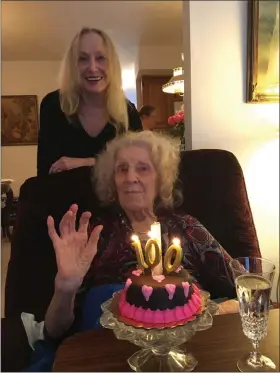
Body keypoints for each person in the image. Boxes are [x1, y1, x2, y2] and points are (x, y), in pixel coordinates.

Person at [43, 130, 239, 341]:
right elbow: (54, 332)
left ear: (160, 178)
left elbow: (245, 289)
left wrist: (214, 312)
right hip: (106, 352)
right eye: (122, 169)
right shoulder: (93, 235)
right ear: (113, 179)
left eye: (143, 169)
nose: (130, 178)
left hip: (184, 351)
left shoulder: (187, 227)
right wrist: (65, 288)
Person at [37, 27, 142, 176]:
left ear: (112, 64)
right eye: (83, 58)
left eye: (100, 58)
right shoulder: (53, 105)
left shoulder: (128, 111)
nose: (92, 68)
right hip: (64, 198)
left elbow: (138, 166)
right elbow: (44, 173)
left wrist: (86, 162)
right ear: (73, 66)